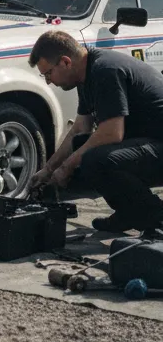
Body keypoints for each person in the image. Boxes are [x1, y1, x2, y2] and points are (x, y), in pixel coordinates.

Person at [29, 30, 163, 237]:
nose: (48, 81)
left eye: (48, 73)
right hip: (148, 141)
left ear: (65, 62)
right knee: (81, 148)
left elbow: (112, 133)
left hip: (158, 144)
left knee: (95, 160)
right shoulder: (85, 73)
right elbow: (80, 129)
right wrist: (48, 169)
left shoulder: (105, 71)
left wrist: (66, 167)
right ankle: (130, 211)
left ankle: (153, 213)